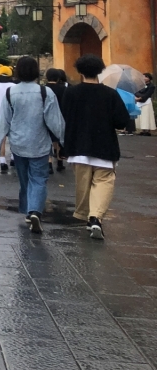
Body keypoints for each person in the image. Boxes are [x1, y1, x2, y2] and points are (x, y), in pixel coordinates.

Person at [62, 54, 133, 240]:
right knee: (103, 182)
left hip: (78, 146)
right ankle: (96, 218)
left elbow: (64, 117)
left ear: (80, 71)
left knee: (83, 186)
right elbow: (121, 121)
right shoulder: (110, 93)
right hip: (105, 146)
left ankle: (85, 215)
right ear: (100, 70)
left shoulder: (71, 93)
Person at [0, 56, 65, 234]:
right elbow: (55, 121)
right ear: (36, 72)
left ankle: (28, 210)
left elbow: (4, 120)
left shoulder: (10, 93)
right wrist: (63, 140)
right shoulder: (45, 93)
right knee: (39, 179)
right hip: (40, 143)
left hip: (18, 144)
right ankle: (35, 211)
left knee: (24, 180)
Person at [45, 68, 69, 171]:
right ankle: (60, 162)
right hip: (61, 116)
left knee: (47, 140)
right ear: (58, 78)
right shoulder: (64, 89)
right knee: (60, 139)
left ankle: (49, 163)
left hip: (47, 117)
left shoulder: (43, 89)